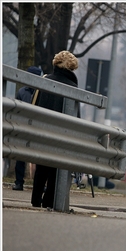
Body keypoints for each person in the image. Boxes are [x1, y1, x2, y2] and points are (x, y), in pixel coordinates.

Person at [31, 50, 79, 208]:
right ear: (72, 67)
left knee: (41, 167)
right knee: (56, 170)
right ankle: (49, 201)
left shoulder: (45, 80)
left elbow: (36, 105)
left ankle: (36, 199)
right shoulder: (73, 88)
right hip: (62, 136)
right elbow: (75, 117)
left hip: (43, 131)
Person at [13, 66, 42, 191]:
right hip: (24, 127)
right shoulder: (23, 92)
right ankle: (19, 182)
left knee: (39, 157)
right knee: (21, 156)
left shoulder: (38, 92)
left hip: (35, 128)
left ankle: (37, 184)